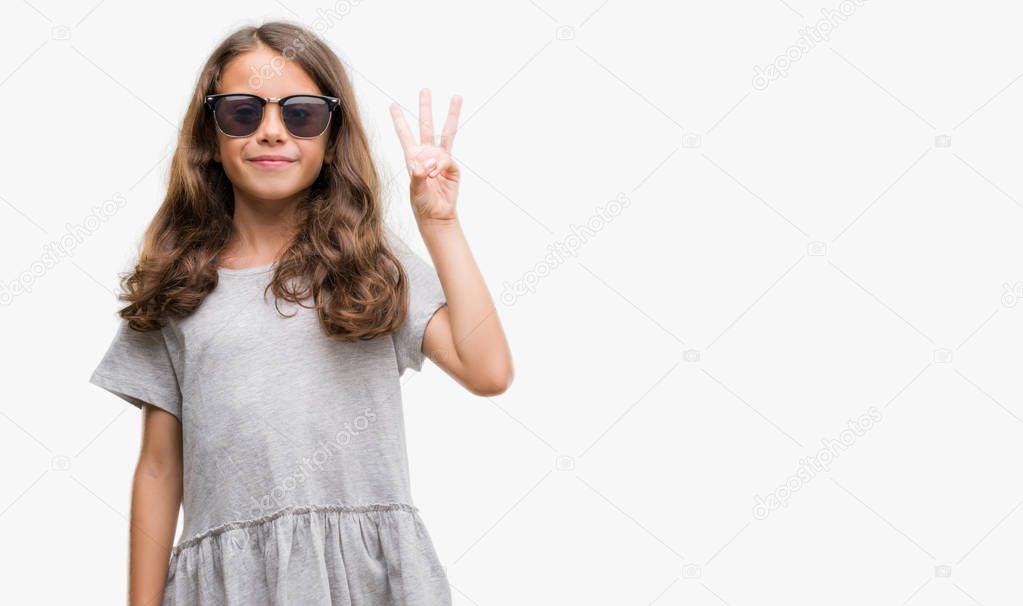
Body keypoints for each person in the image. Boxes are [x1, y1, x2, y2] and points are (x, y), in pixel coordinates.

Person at [87, 20, 513, 606]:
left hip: (366, 582)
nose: (270, 131)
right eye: (242, 112)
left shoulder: (371, 266)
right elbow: (159, 470)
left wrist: (438, 223)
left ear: (331, 137)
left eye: (301, 114)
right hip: (231, 588)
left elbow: (487, 371)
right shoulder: (178, 288)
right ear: (210, 136)